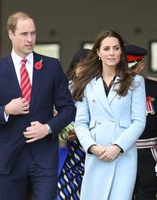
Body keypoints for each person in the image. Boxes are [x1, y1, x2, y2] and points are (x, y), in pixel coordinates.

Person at [0, 11, 76, 200]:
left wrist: (47, 128)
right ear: (11, 34)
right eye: (24, 34)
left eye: (33, 33)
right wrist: (5, 110)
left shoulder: (51, 66)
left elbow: (69, 109)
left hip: (44, 156)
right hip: (10, 158)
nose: (30, 39)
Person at [73, 30, 146, 200]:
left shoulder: (135, 81)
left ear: (121, 51)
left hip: (122, 154)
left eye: (116, 48)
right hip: (96, 153)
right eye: (106, 48)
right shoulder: (87, 82)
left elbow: (139, 122)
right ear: (98, 52)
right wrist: (91, 147)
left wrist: (118, 147)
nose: (112, 53)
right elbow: (81, 122)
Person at [125, 44, 157, 200]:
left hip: (149, 154)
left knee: (147, 195)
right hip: (120, 153)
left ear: (141, 65)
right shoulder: (109, 89)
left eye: (132, 65)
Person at [57, 49, 90, 200]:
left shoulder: (99, 91)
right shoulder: (63, 89)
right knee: (64, 194)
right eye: (81, 66)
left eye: (90, 67)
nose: (84, 71)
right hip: (68, 153)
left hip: (90, 151)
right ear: (74, 67)